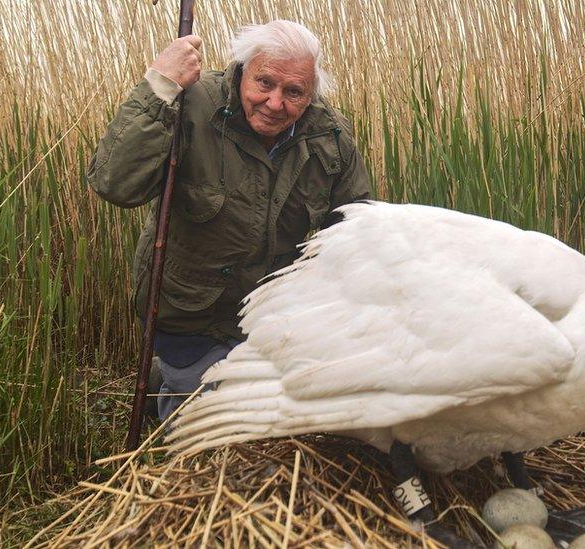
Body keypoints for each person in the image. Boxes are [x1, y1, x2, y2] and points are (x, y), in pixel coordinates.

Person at [88, 20, 372, 421]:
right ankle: (180, 385)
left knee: (293, 413)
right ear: (242, 70)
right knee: (222, 425)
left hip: (267, 320)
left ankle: (170, 381)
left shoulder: (329, 136)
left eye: (294, 92)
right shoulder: (191, 104)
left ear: (311, 94)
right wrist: (160, 86)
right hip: (188, 314)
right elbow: (114, 183)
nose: (276, 104)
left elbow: (356, 229)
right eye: (265, 83)